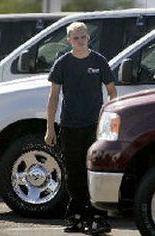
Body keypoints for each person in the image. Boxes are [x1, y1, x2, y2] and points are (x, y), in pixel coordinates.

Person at [44, 22, 117, 234]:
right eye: (75, 38)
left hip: (94, 127)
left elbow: (112, 92)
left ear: (88, 38)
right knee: (74, 173)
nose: (80, 41)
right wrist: (50, 128)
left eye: (83, 37)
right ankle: (76, 217)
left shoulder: (99, 61)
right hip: (69, 126)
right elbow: (54, 97)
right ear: (69, 40)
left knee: (93, 172)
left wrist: (107, 118)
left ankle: (97, 218)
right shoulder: (62, 63)